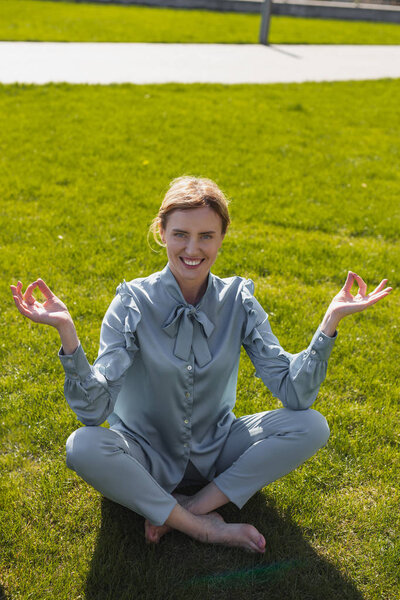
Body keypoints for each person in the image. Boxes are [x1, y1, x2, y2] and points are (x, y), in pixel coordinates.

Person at [10, 176, 392, 554]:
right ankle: (203, 529)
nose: (193, 248)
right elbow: (93, 412)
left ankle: (191, 507)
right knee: (83, 446)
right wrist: (68, 333)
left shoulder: (238, 300)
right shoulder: (131, 303)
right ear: (161, 233)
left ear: (222, 237)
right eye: (180, 234)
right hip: (144, 455)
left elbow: (296, 393)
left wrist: (329, 324)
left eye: (206, 236)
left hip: (219, 448)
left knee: (311, 425)